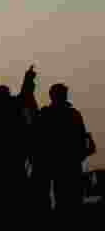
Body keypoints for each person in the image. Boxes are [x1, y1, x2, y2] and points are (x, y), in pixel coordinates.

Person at [34, 83, 90, 215]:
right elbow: (82, 138)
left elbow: (37, 138)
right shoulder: (73, 114)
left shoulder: (45, 114)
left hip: (53, 163)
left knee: (59, 198)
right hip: (69, 163)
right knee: (70, 200)